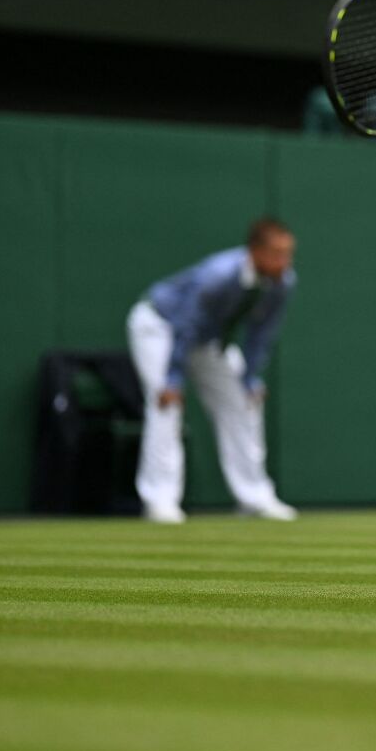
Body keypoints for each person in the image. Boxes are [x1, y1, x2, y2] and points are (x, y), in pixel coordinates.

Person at [126, 217, 299, 524]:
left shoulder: (283, 283)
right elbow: (185, 325)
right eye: (277, 253)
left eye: (288, 254)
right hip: (160, 326)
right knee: (166, 405)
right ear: (255, 252)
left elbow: (261, 335)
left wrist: (249, 378)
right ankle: (160, 500)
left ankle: (255, 496)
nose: (284, 261)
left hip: (208, 340)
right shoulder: (218, 276)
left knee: (244, 404)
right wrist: (173, 379)